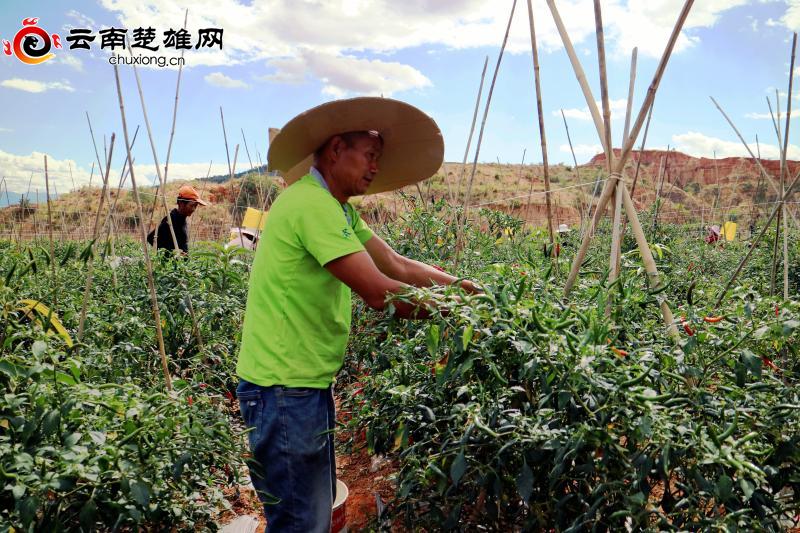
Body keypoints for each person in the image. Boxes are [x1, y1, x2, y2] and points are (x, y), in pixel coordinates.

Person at [235, 97, 479, 531]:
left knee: (309, 516)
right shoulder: (311, 205)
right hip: (284, 390)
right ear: (335, 150)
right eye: (369, 156)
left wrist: (462, 289)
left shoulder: (334, 208)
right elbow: (380, 292)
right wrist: (459, 312)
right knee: (301, 523)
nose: (374, 169)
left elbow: (397, 264)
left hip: (299, 386)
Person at [146, 185, 209, 254]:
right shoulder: (171, 219)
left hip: (180, 263)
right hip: (170, 264)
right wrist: (171, 252)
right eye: (192, 205)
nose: (193, 209)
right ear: (181, 203)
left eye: (195, 206)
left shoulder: (181, 219)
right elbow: (151, 238)